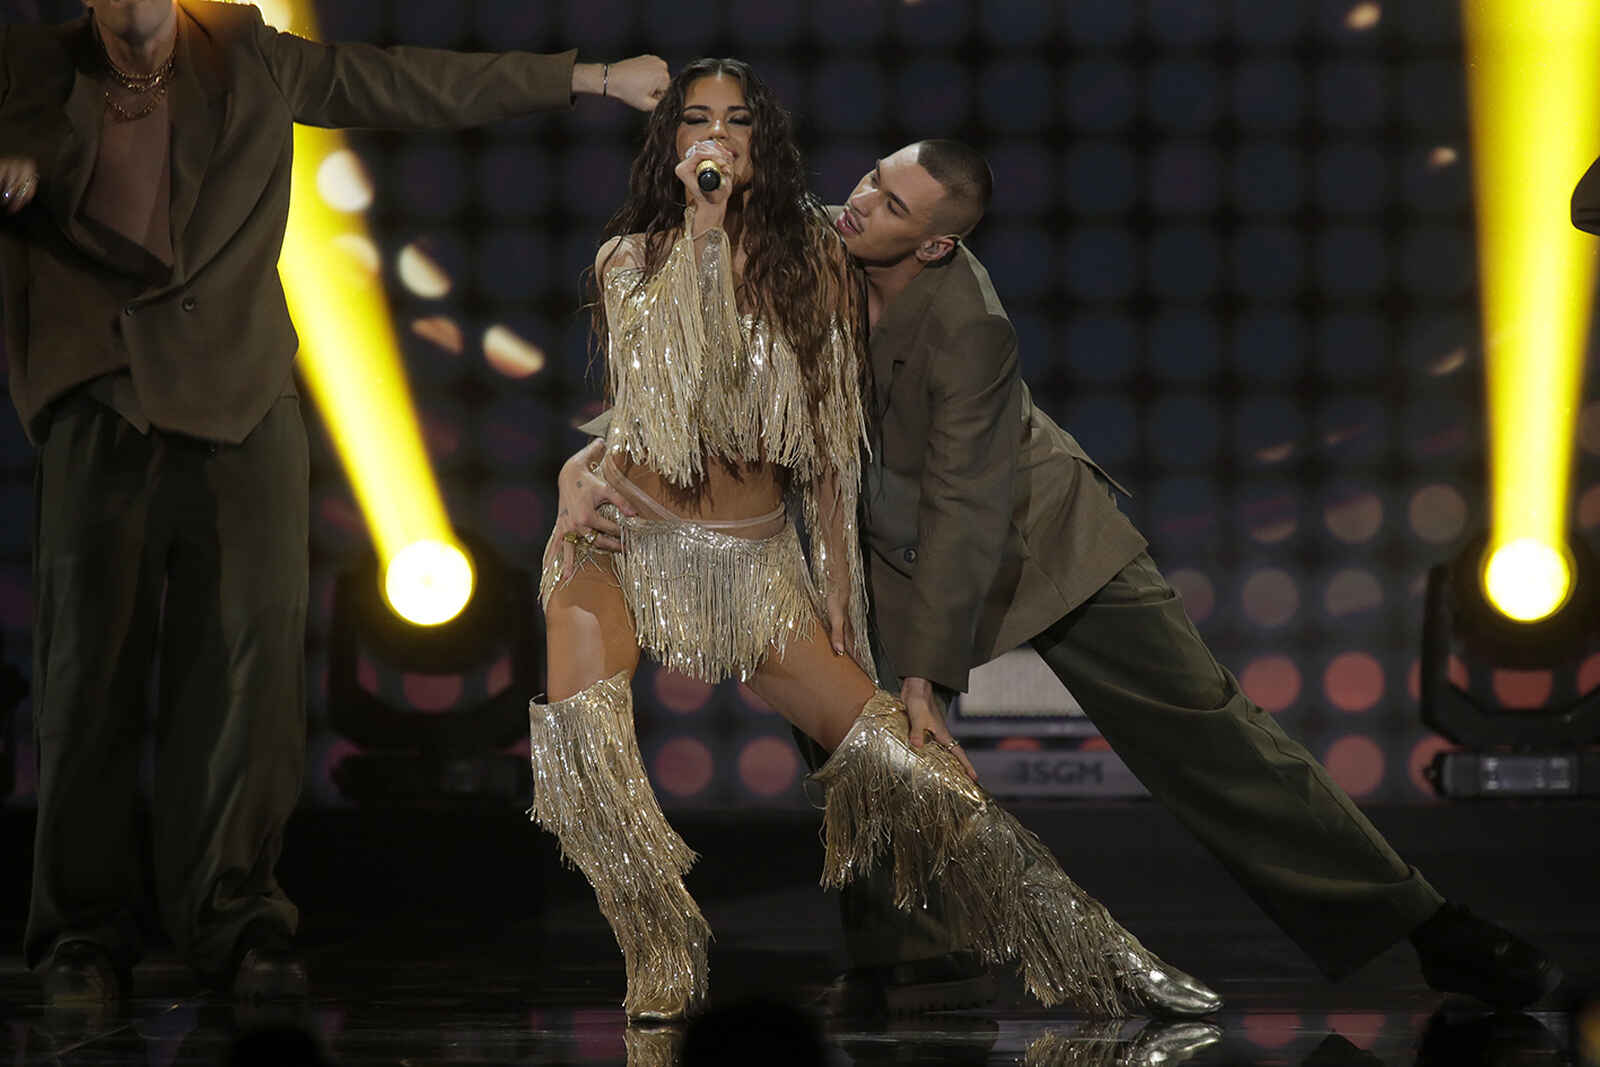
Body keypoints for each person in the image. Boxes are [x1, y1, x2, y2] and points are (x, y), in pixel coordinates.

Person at [559, 139, 1563, 1016]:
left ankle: (1423, 922)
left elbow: (966, 506)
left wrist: (925, 668)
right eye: (869, 178)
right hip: (871, 546)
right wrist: (582, 469)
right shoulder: (802, 244)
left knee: (1207, 729)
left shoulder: (967, 326)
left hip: (1034, 533)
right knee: (856, 740)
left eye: (893, 202)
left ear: (936, 242)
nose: (860, 201)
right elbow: (675, 368)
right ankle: (913, 960)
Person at [0, 0, 668, 1004]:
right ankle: (79, 938)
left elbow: (401, 81)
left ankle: (233, 916)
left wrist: (588, 78)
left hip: (237, 401)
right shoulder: (32, 66)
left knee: (244, 677)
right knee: (87, 677)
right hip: (104, 399)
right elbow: (24, 134)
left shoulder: (247, 56)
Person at [530, 58, 1221, 1025]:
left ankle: (1100, 955)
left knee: (907, 768)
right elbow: (677, 394)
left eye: (737, 121)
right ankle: (660, 951)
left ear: (765, 144)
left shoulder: (819, 261)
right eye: (696, 120)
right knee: (582, 755)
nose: (717, 138)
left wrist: (845, 617)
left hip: (755, 567)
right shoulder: (630, 260)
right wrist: (583, 462)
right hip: (623, 540)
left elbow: (827, 459)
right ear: (672, 143)